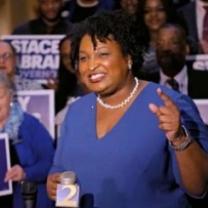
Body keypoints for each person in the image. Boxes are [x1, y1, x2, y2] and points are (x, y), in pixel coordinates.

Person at [47, 11, 208, 207]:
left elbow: (199, 187)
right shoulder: (75, 112)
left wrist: (180, 138)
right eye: (83, 58)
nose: (91, 66)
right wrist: (53, 182)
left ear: (128, 57)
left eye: (102, 54)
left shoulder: (170, 103)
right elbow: (60, 167)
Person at [0, 71, 54, 208]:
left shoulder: (29, 125)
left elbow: (50, 162)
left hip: (26, 201)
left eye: (0, 96)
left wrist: (26, 173)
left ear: (11, 96)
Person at [155, 23, 208, 99]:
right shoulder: (144, 85)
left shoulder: (205, 82)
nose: (165, 48)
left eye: (174, 43)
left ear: (186, 49)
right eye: (160, 44)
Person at [135, 0, 185, 80]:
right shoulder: (135, 47)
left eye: (159, 10)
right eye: (147, 11)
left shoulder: (185, 43)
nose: (154, 15)